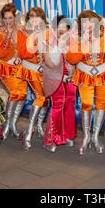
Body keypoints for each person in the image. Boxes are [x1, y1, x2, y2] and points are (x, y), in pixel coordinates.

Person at [66, 10, 105, 155]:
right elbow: (72, 59)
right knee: (86, 104)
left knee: (101, 104)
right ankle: (86, 136)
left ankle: (95, 136)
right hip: (84, 74)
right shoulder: (76, 38)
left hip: (103, 74)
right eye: (85, 22)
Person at [0, 3, 28, 140]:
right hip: (6, 67)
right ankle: (7, 126)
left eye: (10, 18)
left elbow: (25, 50)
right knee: (15, 93)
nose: (8, 21)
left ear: (15, 17)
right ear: (2, 19)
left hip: (20, 67)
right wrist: (6, 38)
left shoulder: (20, 30)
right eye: (5, 18)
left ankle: (12, 124)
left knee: (23, 94)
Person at [42, 15, 77, 152]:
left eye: (64, 27)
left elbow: (75, 62)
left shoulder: (72, 43)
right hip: (54, 80)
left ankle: (68, 135)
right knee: (57, 106)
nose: (61, 30)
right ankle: (50, 139)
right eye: (58, 27)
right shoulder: (47, 43)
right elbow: (50, 63)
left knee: (70, 106)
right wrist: (59, 47)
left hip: (70, 80)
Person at [17, 7, 50, 150]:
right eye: (31, 16)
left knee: (46, 98)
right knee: (41, 97)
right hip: (31, 69)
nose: (34, 18)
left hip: (45, 71)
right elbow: (24, 53)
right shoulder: (23, 32)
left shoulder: (48, 32)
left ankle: (39, 127)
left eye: (37, 16)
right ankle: (29, 131)